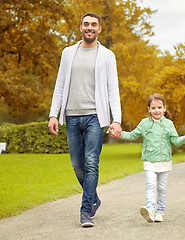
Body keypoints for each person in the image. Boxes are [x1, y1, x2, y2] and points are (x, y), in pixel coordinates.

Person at [48, 12, 122, 228]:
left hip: (94, 117)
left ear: (100, 29)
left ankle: (85, 211)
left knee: (91, 163)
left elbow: (113, 89)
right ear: (80, 27)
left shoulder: (107, 55)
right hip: (71, 116)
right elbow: (60, 84)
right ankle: (94, 197)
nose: (90, 27)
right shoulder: (68, 53)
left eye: (94, 24)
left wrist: (116, 119)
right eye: (86, 24)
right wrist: (54, 113)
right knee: (77, 165)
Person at [111, 93, 185, 223]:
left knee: (162, 187)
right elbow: (132, 135)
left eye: (159, 107)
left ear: (164, 108)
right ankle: (150, 209)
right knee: (150, 185)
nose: (156, 111)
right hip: (149, 160)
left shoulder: (169, 124)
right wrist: (119, 134)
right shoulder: (144, 124)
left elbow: (176, 141)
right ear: (149, 109)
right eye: (153, 108)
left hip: (164, 161)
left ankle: (160, 211)